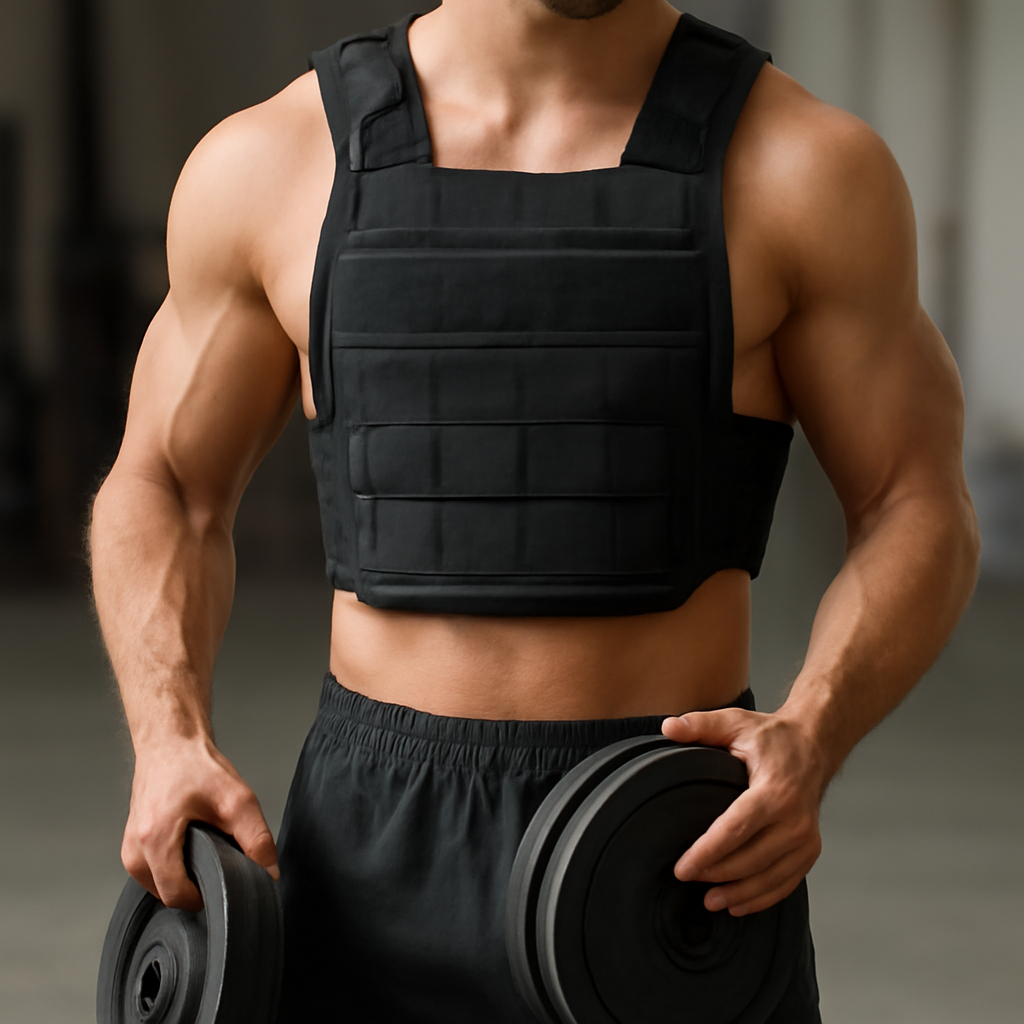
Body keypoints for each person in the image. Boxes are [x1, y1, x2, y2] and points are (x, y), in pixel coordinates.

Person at [89, 0, 979, 1020]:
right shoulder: (275, 165)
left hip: (667, 859)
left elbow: (916, 497)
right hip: (368, 855)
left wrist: (812, 732)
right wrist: (168, 741)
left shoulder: (804, 169)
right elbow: (162, 482)